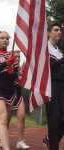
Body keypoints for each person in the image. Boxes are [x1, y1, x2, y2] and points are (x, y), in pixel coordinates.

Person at [44, 22, 64, 150]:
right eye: (56, 30)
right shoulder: (44, 50)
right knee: (54, 121)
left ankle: (50, 139)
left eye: (60, 30)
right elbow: (47, 68)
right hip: (51, 88)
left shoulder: (59, 51)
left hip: (62, 88)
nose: (59, 32)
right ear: (48, 33)